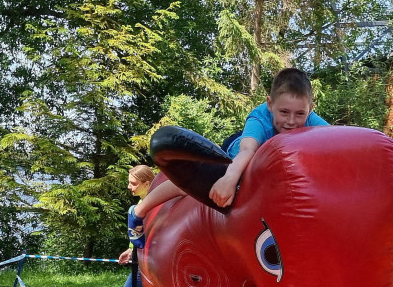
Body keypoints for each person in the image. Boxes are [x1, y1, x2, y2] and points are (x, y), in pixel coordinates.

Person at [134, 68, 328, 219]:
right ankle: (139, 211)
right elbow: (247, 150)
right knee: (189, 185)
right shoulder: (260, 118)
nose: (291, 121)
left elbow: (341, 140)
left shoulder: (309, 118)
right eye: (284, 112)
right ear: (270, 104)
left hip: (271, 162)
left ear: (310, 109)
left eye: (300, 114)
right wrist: (229, 179)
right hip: (238, 152)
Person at [116, 165, 155, 287]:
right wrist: (131, 249)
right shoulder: (141, 203)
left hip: (149, 265)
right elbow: (138, 233)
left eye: (133, 183)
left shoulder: (154, 205)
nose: (129, 187)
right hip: (144, 261)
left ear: (147, 183)